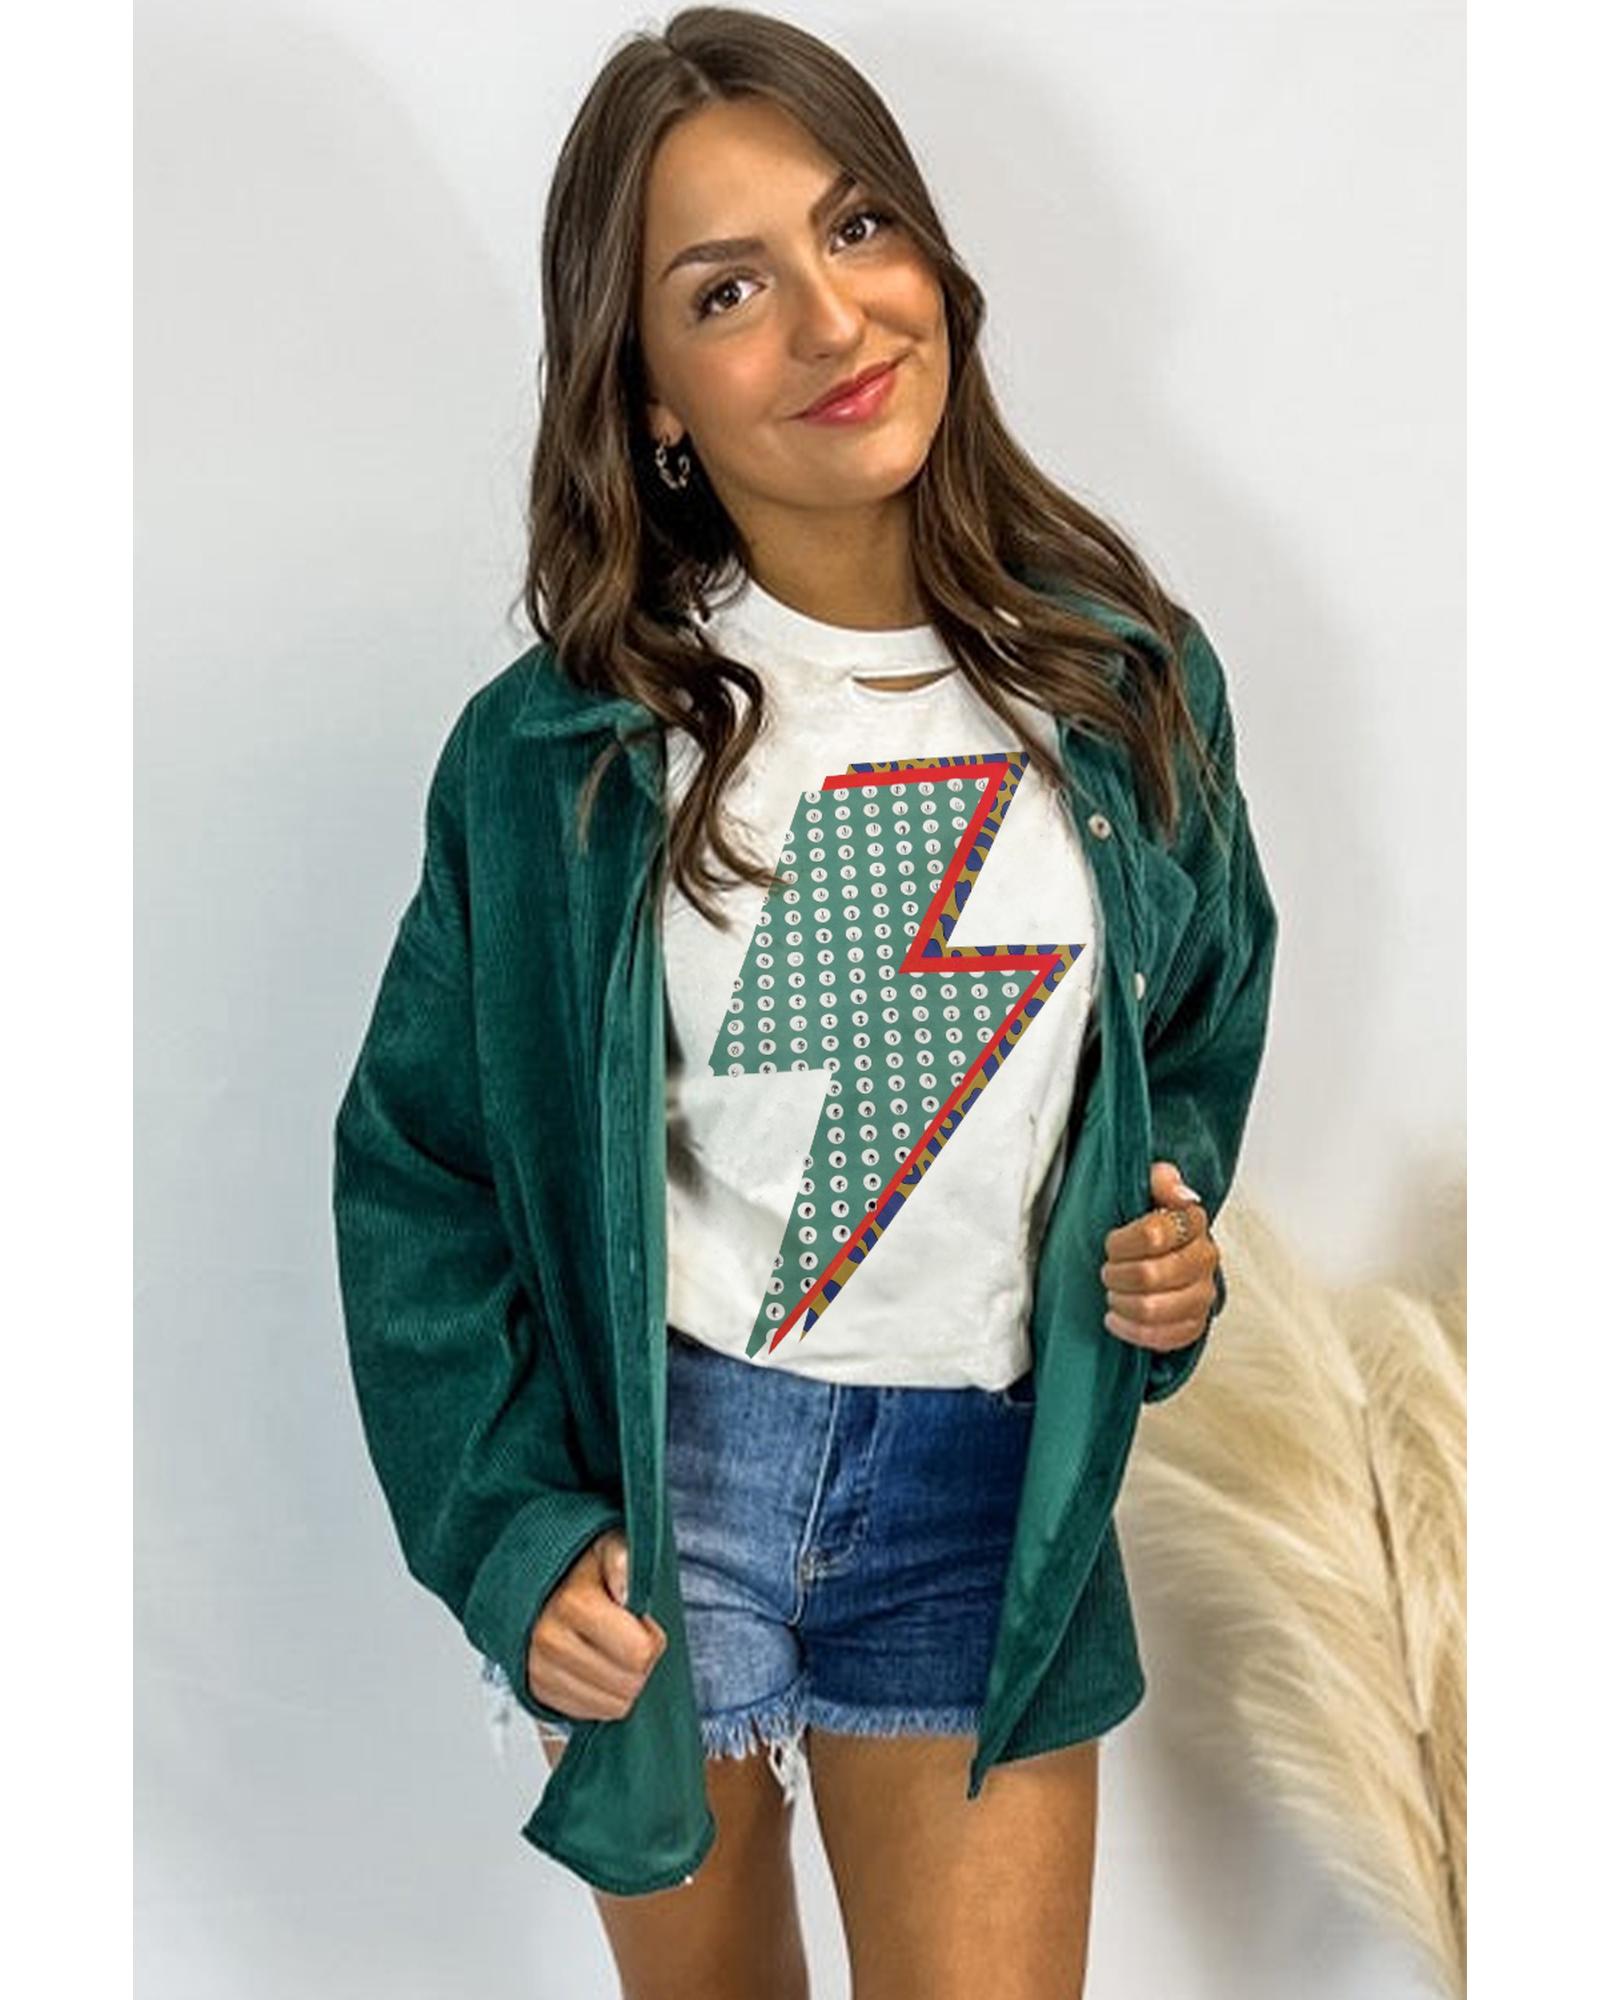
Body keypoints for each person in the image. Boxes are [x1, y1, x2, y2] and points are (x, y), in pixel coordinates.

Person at [332, 9, 1279, 1997]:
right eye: (727, 289)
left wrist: (1168, 1239)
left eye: (856, 228)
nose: (833, 319)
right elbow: (420, 1172)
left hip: (983, 1491)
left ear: (929, 252)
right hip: (671, 1482)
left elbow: (1189, 1033)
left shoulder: (1122, 686)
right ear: (650, 395)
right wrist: (511, 1539)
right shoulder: (559, 754)